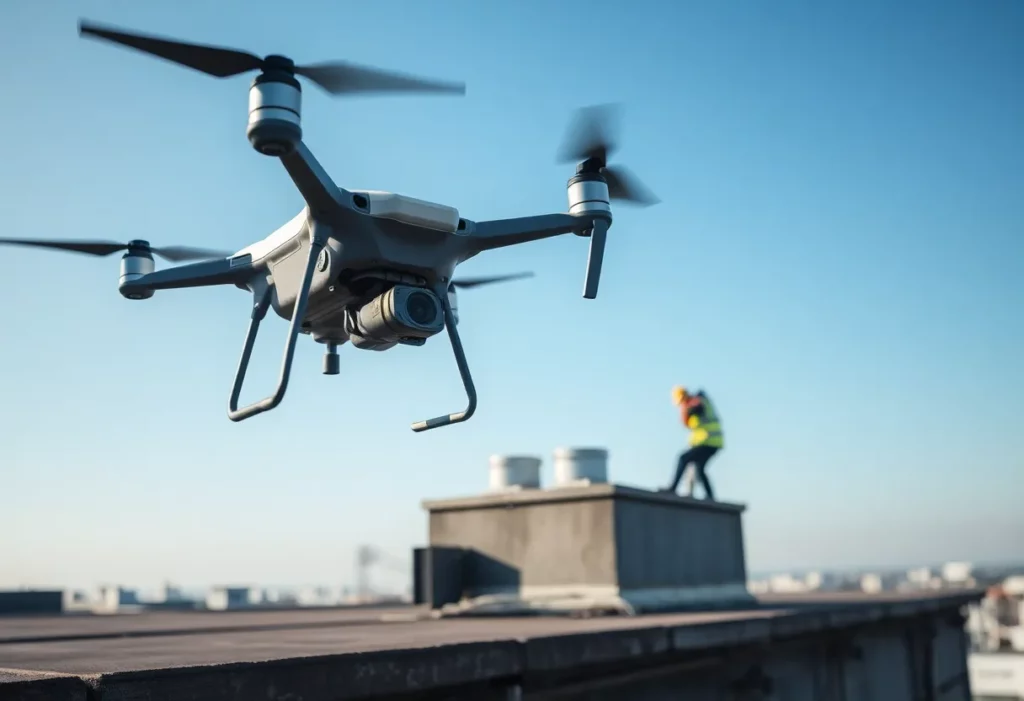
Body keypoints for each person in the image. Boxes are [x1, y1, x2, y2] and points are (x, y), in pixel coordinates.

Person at [661, 385, 724, 500]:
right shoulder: (696, 402)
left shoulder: (696, 401)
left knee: (683, 458)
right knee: (700, 468)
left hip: (709, 441)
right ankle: (710, 497)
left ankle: (673, 488)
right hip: (711, 442)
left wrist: (686, 410)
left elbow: (697, 407)